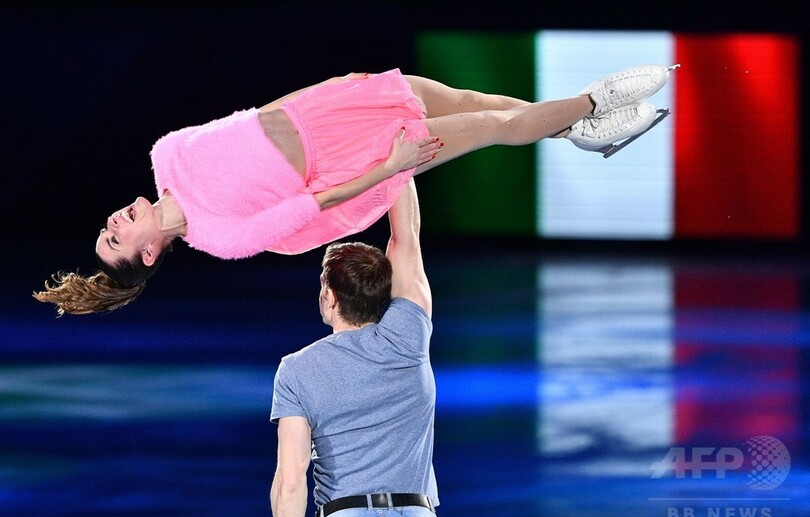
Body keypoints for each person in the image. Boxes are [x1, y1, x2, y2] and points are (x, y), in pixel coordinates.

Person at [33, 64, 678, 316]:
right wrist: (390, 166)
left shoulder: (166, 152)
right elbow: (316, 204)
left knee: (472, 99)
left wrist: (332, 88)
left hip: (329, 110)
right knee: (495, 126)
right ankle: (599, 101)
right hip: (351, 160)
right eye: (116, 238)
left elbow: (256, 116)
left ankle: (585, 132)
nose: (114, 221)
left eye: (107, 226)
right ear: (148, 253)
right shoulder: (218, 236)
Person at [270, 179, 442, 517]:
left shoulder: (297, 370)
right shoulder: (407, 336)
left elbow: (291, 480)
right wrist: (399, 161)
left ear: (330, 297)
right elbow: (406, 238)